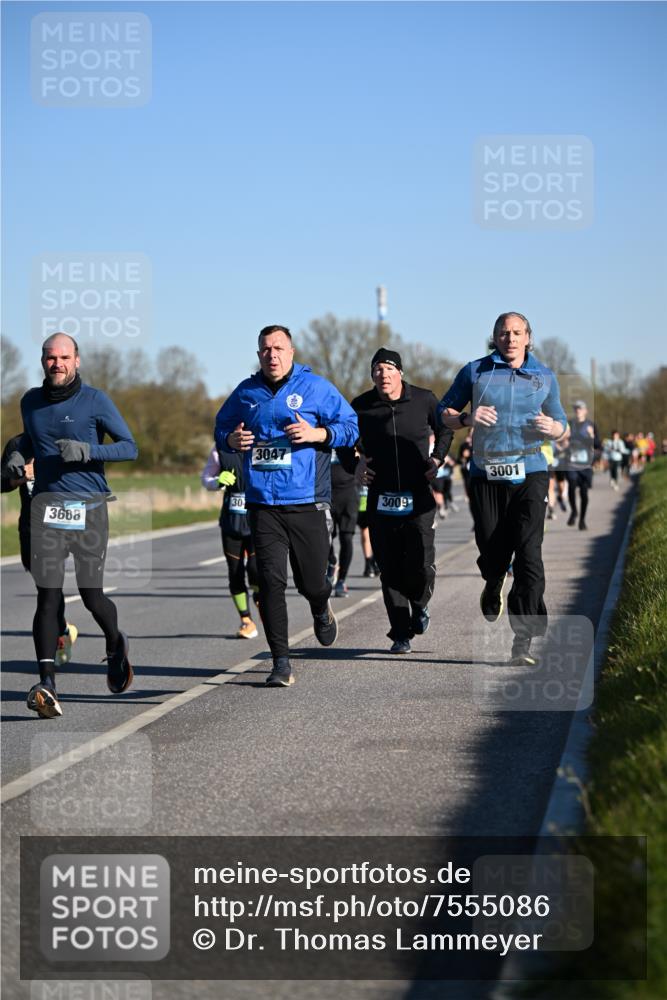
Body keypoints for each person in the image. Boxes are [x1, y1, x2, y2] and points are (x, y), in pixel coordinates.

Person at [214, 324, 358, 687]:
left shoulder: (316, 388)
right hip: (262, 504)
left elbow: (351, 427)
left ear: (291, 352)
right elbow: (221, 428)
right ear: (259, 354)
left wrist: (319, 434)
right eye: (265, 349)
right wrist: (230, 439)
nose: (272, 355)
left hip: (306, 501)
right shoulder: (246, 393)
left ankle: (319, 606)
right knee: (269, 583)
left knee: (312, 582)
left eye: (278, 348)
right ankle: (281, 662)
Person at [6, 333, 138, 718]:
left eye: (64, 357)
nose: (57, 364)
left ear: (77, 360)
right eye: (50, 357)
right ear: (42, 361)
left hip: (90, 509)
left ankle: (115, 643)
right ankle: (46, 682)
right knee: (47, 596)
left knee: (91, 595)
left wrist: (89, 450)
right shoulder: (30, 401)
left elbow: (130, 447)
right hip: (47, 508)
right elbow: (32, 440)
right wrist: (18, 455)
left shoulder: (95, 400)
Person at [438, 312, 567, 666]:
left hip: (531, 471)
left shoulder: (543, 376)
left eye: (517, 333)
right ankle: (493, 580)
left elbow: (561, 424)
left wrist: (552, 426)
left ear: (528, 337)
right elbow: (442, 411)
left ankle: (522, 640)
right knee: (493, 548)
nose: (510, 338)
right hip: (486, 472)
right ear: (494, 337)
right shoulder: (475, 372)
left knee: (529, 554)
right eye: (503, 333)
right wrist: (466, 419)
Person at [338, 348, 453, 654]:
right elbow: (342, 441)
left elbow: (445, 428)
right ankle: (401, 633)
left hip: (418, 495)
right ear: (372, 375)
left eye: (389, 370)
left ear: (400, 372)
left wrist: (437, 458)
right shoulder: (361, 406)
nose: (383, 375)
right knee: (389, 568)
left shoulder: (424, 399)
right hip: (381, 498)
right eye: (377, 370)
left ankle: (420, 605)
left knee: (420, 564)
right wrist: (356, 465)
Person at [1, 436, 78, 665]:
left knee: (49, 587)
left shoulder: (65, 441)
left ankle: (55, 642)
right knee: (46, 586)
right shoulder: (17, 445)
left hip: (58, 524)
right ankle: (63, 628)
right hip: (30, 528)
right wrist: (21, 477)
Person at [201, 446, 260, 638]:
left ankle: (265, 608)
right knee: (235, 572)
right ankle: (246, 621)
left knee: (255, 570)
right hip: (231, 522)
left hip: (257, 521)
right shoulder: (220, 449)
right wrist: (217, 481)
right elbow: (206, 479)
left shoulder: (262, 443)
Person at [326, 448, 359, 597]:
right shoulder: (320, 431)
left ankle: (341, 580)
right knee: (325, 538)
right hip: (326, 493)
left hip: (348, 493)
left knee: (346, 538)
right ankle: (332, 561)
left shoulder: (350, 431)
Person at [565, 400, 599, 530]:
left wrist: (591, 435)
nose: (578, 410)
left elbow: (598, 444)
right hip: (572, 462)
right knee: (572, 485)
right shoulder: (570, 424)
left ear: (585, 411)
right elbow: (562, 438)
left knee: (584, 493)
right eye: (576, 408)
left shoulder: (591, 425)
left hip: (585, 464)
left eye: (580, 408)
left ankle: (582, 520)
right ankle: (574, 511)